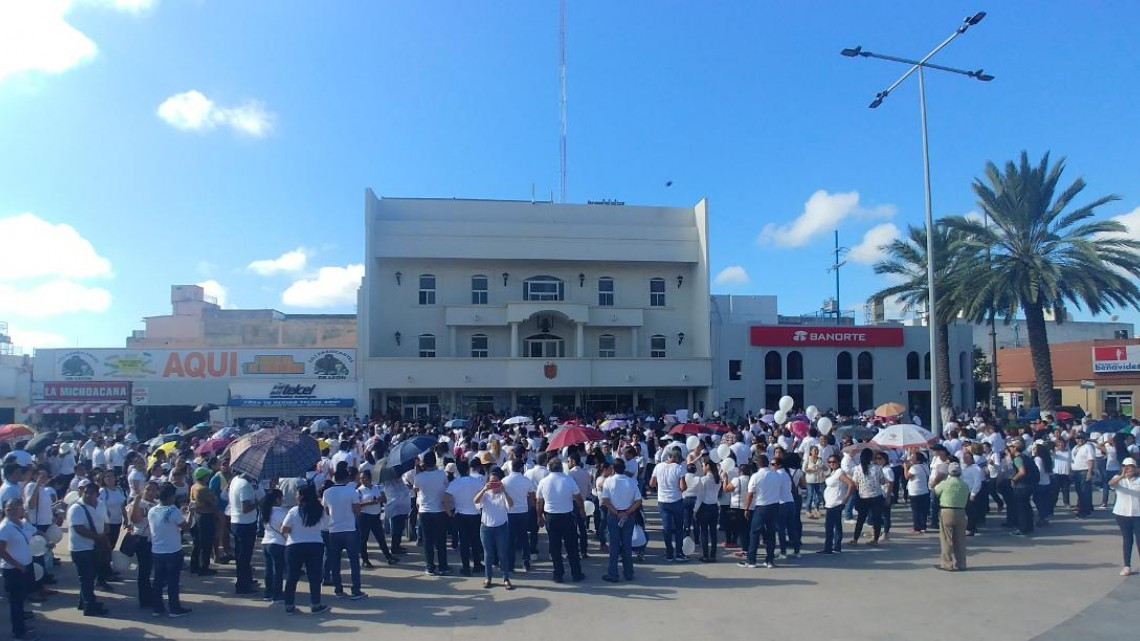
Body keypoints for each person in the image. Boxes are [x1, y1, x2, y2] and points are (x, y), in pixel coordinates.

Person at [281, 484, 331, 615]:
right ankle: (316, 604)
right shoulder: (319, 509)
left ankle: (289, 605)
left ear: (302, 496)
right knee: (314, 577)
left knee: (292, 577)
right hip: (315, 544)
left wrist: (292, 531)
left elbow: (284, 529)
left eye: (297, 493)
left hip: (294, 545)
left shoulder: (294, 511)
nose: (296, 496)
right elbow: (326, 523)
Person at [536, 459, 585, 583]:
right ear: (561, 468)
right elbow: (578, 497)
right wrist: (582, 509)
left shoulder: (544, 481)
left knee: (555, 546)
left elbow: (539, 501)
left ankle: (558, 574)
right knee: (572, 546)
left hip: (551, 517)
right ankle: (576, 573)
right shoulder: (568, 479)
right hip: (567, 516)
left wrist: (539, 516)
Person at [322, 466, 367, 600]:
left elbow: (327, 511)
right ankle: (356, 590)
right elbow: (357, 510)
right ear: (347, 477)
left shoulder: (327, 492)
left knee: (335, 561)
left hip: (333, 530)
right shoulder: (351, 490)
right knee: (354, 561)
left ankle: (338, 589)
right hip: (349, 529)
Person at [149, 482, 192, 618]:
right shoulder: (172, 510)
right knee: (173, 582)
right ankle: (174, 608)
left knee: (158, 581)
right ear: (171, 496)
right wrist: (191, 513)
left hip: (157, 551)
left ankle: (158, 608)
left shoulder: (152, 510)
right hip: (172, 551)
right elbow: (185, 527)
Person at [67, 480, 109, 617]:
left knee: (90, 577)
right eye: (86, 492)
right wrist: (97, 537)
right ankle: (89, 607)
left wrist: (104, 535)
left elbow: (105, 522)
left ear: (97, 494)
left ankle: (84, 601)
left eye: (91, 493)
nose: (88, 495)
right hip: (80, 549)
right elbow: (78, 529)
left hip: (95, 548)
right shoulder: (76, 508)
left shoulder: (101, 505)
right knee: (86, 578)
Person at [0, 499, 37, 640]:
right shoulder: (5, 527)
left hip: (24, 567)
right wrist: (17, 565)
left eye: (16, 508)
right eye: (9, 509)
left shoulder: (22, 523)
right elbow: (1, 551)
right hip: (13, 570)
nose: (13, 511)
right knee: (15, 602)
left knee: (21, 600)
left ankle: (21, 626)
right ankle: (19, 633)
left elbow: (33, 533)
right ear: (5, 510)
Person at [600, 458, 642, 582]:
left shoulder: (608, 481)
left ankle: (613, 573)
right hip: (628, 516)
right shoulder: (631, 482)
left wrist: (617, 512)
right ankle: (628, 572)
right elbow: (638, 501)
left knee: (614, 546)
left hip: (614, 515)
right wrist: (627, 512)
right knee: (627, 545)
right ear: (624, 468)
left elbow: (605, 501)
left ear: (613, 468)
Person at [741, 455, 786, 569]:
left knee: (754, 533)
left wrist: (746, 508)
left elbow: (750, 493)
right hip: (774, 506)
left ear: (757, 464)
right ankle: (770, 560)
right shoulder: (776, 475)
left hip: (761, 507)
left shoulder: (755, 476)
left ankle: (751, 560)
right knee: (771, 534)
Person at [474, 466, 514, 589]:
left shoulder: (503, 494)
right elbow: (475, 501)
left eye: (496, 481)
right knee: (488, 554)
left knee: (503, 553)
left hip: (501, 528)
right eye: (491, 482)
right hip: (486, 528)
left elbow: (511, 505)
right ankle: (488, 577)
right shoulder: (485, 494)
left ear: (500, 482)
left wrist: (504, 491)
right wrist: (484, 489)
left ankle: (506, 578)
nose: (494, 484)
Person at [414, 453, 452, 576]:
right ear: (435, 461)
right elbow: (447, 487)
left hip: (425, 511)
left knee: (427, 540)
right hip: (439, 510)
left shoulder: (419, 477)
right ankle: (443, 566)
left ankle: (430, 566)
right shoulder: (441, 474)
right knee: (441, 540)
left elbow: (416, 489)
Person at [446, 459, 485, 576]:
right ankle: (477, 564)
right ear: (468, 470)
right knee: (475, 541)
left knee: (463, 542)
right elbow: (484, 496)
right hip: (475, 514)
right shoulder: (477, 482)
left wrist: (449, 513)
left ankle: (466, 567)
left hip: (460, 515)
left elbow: (445, 499)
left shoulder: (454, 483)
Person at [649, 448, 688, 562]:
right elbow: (682, 487)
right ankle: (679, 553)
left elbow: (652, 483)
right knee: (678, 528)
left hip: (662, 501)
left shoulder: (658, 467)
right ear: (675, 457)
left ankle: (669, 553)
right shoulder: (679, 468)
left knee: (667, 528)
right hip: (676, 501)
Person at [933, 463, 970, 571]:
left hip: (946, 510)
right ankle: (961, 563)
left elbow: (936, 492)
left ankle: (947, 563)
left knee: (946, 538)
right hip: (961, 511)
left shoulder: (945, 483)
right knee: (960, 539)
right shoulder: (964, 484)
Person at [227, 470, 259, 595]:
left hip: (238, 521)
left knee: (243, 555)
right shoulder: (245, 485)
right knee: (244, 557)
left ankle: (247, 580)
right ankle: (243, 585)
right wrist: (258, 502)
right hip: (244, 524)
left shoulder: (235, 480)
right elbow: (245, 508)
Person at [355, 471, 396, 568]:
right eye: (361, 478)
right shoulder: (359, 491)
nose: (363, 480)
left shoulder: (377, 488)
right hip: (364, 516)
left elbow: (385, 499)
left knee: (381, 538)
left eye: (364, 478)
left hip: (375, 516)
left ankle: (388, 557)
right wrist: (367, 502)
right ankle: (365, 560)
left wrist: (380, 499)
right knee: (363, 539)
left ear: (369, 478)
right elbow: (356, 505)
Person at [128, 481, 158, 609]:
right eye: (148, 490)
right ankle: (145, 599)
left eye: (154, 490)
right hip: (143, 540)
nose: (151, 493)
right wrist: (136, 502)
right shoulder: (138, 504)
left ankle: (151, 595)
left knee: (153, 570)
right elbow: (135, 520)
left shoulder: (157, 504)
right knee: (144, 572)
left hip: (155, 541)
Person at [1108, 457, 1140, 576]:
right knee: (1127, 540)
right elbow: (1110, 484)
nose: (1129, 469)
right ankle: (1127, 565)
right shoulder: (1118, 480)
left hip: (1138, 514)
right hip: (1122, 514)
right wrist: (1123, 475)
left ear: (1135, 468)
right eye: (1126, 467)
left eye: (1131, 467)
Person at [502, 459, 536, 572]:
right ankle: (526, 561)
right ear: (521, 468)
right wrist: (530, 506)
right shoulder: (526, 480)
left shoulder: (505, 480)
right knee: (524, 537)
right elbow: (532, 495)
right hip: (523, 511)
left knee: (510, 539)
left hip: (509, 512)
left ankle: (510, 564)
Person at [819, 455, 855, 555]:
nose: (832, 464)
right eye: (830, 462)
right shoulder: (832, 472)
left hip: (836, 502)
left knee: (830, 526)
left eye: (834, 462)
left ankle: (829, 547)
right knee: (836, 525)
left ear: (838, 462)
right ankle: (836, 547)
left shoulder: (839, 472)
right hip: (831, 502)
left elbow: (851, 484)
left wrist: (846, 498)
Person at [850, 448, 885, 546]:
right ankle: (875, 540)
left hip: (863, 497)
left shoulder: (857, 468)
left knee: (860, 519)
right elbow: (882, 482)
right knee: (876, 519)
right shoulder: (877, 468)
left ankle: (855, 539)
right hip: (876, 496)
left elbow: (855, 483)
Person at [188, 467, 218, 576]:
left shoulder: (194, 486)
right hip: (205, 516)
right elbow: (213, 502)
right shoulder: (203, 489)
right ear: (204, 476)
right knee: (206, 543)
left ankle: (194, 565)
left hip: (197, 514)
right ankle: (203, 567)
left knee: (197, 542)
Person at [691, 458, 721, 562]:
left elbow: (700, 496)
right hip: (714, 506)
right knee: (713, 532)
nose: (702, 467)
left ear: (707, 466)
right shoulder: (718, 479)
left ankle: (705, 555)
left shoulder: (703, 480)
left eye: (703, 465)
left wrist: (695, 510)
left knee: (703, 532)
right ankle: (713, 555)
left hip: (705, 507)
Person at [259, 489, 286, 603]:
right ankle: (277, 595)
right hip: (277, 543)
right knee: (277, 571)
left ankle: (268, 593)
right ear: (277, 499)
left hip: (266, 542)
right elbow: (283, 528)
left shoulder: (265, 511)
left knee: (268, 570)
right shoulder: (280, 512)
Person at [904, 451, 931, 534]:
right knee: (923, 511)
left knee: (916, 510)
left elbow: (907, 476)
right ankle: (923, 526)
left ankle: (917, 528)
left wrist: (905, 467)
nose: (911, 460)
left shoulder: (914, 468)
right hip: (924, 490)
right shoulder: (925, 466)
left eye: (913, 458)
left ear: (918, 460)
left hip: (915, 491)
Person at [1071, 433, 1096, 519]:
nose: (1079, 440)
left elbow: (1091, 460)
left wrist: (1090, 472)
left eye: (1081, 438)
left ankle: (1085, 511)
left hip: (1084, 471)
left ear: (1085, 439)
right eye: (1078, 438)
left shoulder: (1088, 447)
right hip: (1076, 472)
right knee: (1080, 492)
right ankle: (1087, 508)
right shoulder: (1075, 447)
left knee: (1085, 492)